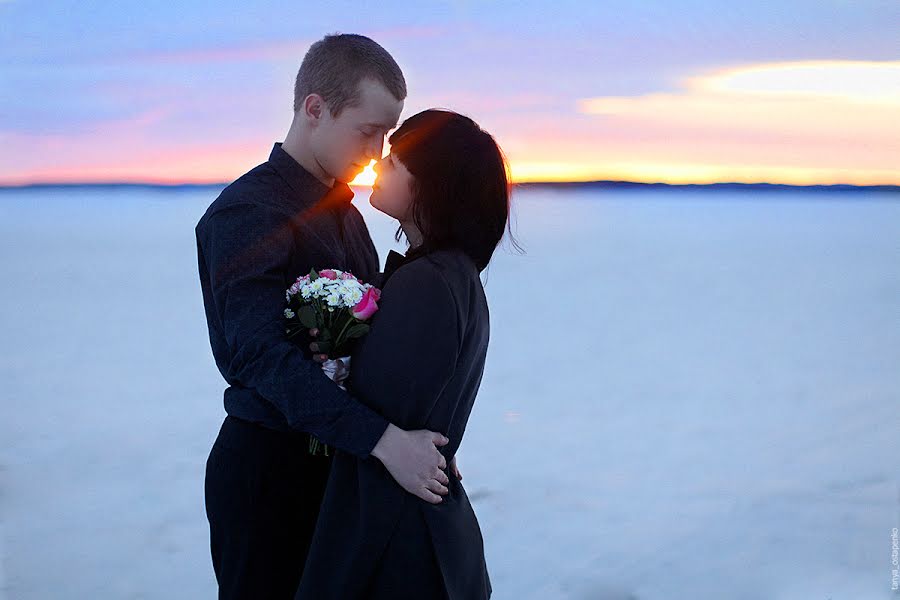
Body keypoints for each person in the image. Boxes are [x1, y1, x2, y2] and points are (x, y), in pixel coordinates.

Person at [195, 34, 454, 599]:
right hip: (269, 474)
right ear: (315, 109)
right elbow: (258, 357)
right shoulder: (247, 212)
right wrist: (384, 441)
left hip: (339, 469)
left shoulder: (346, 214)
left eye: (389, 133)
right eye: (369, 130)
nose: (380, 149)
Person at [295, 109, 516, 600]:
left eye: (394, 162)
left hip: (398, 540)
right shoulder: (451, 275)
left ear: (430, 186)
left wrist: (323, 361)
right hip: (416, 525)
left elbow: (381, 411)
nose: (379, 166)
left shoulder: (429, 283)